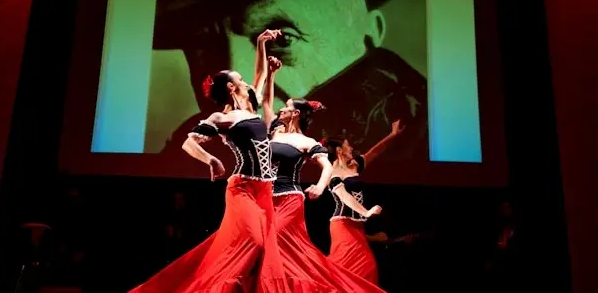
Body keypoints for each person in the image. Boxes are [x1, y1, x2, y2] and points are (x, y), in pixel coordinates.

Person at [155, 0, 427, 171]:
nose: (241, 84)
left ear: (368, 33)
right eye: (204, 48)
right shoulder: (190, 148)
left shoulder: (425, 136)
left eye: (283, 40)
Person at [129, 30, 293, 292]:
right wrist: (211, 159)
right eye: (240, 78)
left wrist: (262, 42)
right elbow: (188, 142)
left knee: (264, 254)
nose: (246, 80)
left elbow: (261, 76)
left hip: (266, 190)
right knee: (254, 242)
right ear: (231, 86)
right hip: (243, 189)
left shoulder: (250, 106)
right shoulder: (221, 118)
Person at [261, 56, 387, 292]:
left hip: (289, 197)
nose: (282, 109)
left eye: (287, 106)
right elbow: (266, 103)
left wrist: (319, 186)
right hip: (265, 196)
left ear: (296, 113)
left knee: (276, 241)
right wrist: (272, 74)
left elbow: (327, 167)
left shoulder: (306, 141)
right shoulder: (275, 132)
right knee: (265, 246)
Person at [323, 121, 404, 284]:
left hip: (357, 227)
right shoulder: (332, 173)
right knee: (345, 269)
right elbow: (345, 196)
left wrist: (392, 135)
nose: (351, 148)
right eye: (348, 146)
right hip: (342, 225)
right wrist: (366, 212)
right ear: (340, 150)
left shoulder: (354, 166)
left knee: (367, 268)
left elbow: (375, 151)